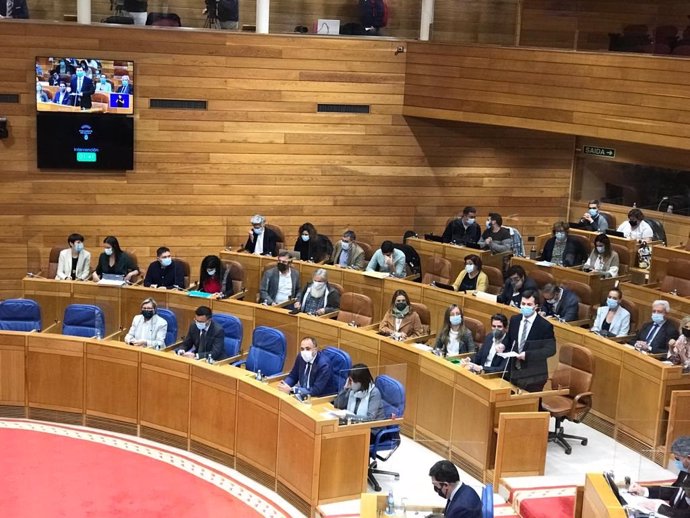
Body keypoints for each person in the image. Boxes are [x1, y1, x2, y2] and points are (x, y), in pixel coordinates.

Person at [506, 289, 557, 392]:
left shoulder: (544, 326)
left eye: (529, 304)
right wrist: (502, 345)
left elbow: (550, 349)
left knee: (530, 405)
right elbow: (509, 339)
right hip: (514, 371)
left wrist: (528, 355)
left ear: (536, 306)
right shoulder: (514, 320)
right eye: (523, 303)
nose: (525, 306)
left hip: (534, 374)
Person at [628, 436, 690, 517]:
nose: (676, 461)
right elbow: (674, 490)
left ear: (689, 458)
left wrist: (659, 508)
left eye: (677, 458)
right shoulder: (684, 472)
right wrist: (644, 491)